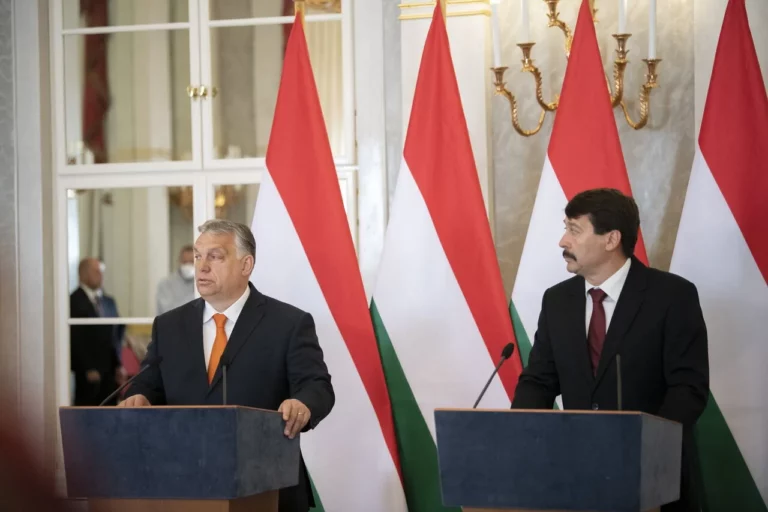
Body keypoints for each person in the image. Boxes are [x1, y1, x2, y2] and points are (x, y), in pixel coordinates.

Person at [511, 188, 709, 512]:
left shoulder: (672, 296)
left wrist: (646, 449)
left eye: (575, 230)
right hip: (575, 478)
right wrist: (520, 435)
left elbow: (688, 388)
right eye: (565, 229)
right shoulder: (558, 300)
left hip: (654, 482)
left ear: (611, 239)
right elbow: (539, 380)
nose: (563, 241)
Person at [120, 220, 334, 512]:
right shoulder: (169, 325)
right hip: (183, 481)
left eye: (215, 256)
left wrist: (302, 403)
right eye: (198, 256)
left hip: (267, 482)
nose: (202, 266)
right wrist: (139, 396)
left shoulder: (288, 323)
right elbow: (148, 384)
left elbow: (317, 386)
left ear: (246, 265)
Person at [70, 258, 125, 406]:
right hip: (88, 377)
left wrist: (118, 364)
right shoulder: (73, 301)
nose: (100, 275)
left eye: (101, 271)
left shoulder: (108, 302)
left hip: (110, 374)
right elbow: (75, 339)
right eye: (96, 271)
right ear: (83, 274)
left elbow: (116, 334)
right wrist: (86, 367)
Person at [156, 245, 196, 315]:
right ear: (179, 261)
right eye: (185, 262)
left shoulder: (204, 283)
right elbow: (167, 310)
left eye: (191, 262)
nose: (188, 265)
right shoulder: (166, 284)